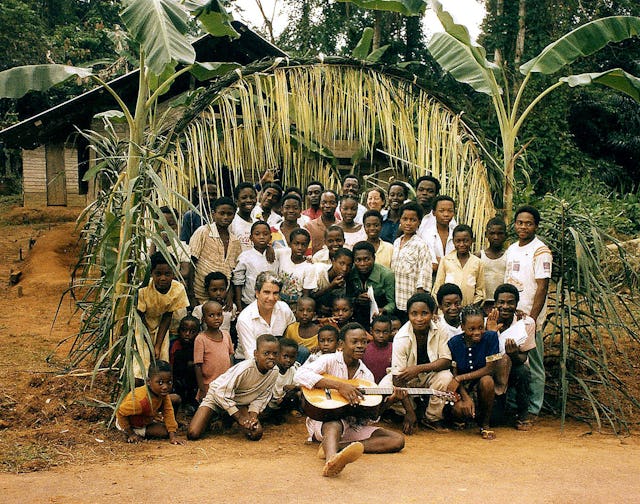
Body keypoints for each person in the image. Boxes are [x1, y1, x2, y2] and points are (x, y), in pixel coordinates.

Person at [294, 323, 405, 477]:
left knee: (397, 440)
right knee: (334, 423)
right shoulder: (329, 360)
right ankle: (331, 461)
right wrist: (339, 386)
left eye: (364, 342)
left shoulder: (366, 375)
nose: (360, 346)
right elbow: (299, 375)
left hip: (352, 425)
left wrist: (390, 401)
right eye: (355, 342)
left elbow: (370, 417)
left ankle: (337, 447)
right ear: (341, 344)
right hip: (324, 421)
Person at [380, 293, 453, 433]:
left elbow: (446, 360)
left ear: (433, 313)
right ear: (408, 314)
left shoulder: (441, 328)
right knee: (385, 388)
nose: (419, 319)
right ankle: (409, 411)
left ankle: (431, 418)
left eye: (424, 313)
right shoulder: (401, 337)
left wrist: (417, 369)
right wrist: (410, 412)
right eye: (414, 314)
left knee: (446, 377)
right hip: (405, 378)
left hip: (430, 374)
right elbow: (397, 378)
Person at [504, 205, 552, 418]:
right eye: (520, 223)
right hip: (512, 317)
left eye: (528, 223)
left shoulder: (541, 251)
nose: (523, 227)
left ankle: (533, 408)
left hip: (530, 318)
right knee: (514, 361)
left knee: (533, 363)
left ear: (536, 226)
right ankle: (514, 406)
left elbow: (542, 287)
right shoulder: (512, 248)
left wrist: (531, 319)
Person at [187, 334, 280, 441]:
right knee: (193, 433)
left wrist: (253, 417)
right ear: (256, 354)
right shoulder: (245, 369)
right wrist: (240, 418)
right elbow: (220, 393)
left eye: (275, 354)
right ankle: (219, 415)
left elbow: (262, 397)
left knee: (255, 433)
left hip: (239, 403)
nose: (271, 357)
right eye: (266, 353)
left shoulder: (274, 371)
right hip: (217, 397)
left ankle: (227, 417)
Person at [447, 305, 501, 440]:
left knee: (487, 381)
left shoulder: (491, 337)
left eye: (480, 328)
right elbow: (454, 374)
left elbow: (490, 368)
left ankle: (485, 423)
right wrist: (466, 397)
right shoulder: (454, 343)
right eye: (471, 329)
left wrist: (461, 378)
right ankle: (462, 419)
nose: (477, 332)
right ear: (462, 327)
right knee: (459, 410)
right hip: (463, 388)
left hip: (482, 385)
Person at [486, 283, 535, 431]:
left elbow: (523, 358)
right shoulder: (486, 322)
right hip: (491, 369)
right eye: (501, 302)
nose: (505, 306)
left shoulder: (526, 323)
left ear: (516, 304)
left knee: (524, 372)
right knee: (496, 420)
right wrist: (491, 333)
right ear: (495, 304)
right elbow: (484, 356)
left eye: (510, 302)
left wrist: (513, 354)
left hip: (514, 368)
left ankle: (523, 414)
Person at [134, 252, 190, 381]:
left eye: (167, 274)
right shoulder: (143, 289)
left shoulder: (178, 289)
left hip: (161, 326)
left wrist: (157, 345)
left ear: (174, 273)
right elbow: (141, 317)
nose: (163, 278)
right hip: (143, 327)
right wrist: (149, 343)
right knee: (141, 364)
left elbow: (167, 316)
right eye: (158, 274)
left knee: (161, 359)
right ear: (151, 273)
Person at [189, 196, 242, 305]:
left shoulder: (235, 241)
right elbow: (191, 263)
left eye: (230, 214)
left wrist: (230, 295)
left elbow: (234, 273)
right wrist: (191, 294)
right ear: (213, 214)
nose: (226, 217)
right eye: (222, 213)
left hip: (222, 297)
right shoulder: (203, 232)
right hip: (199, 295)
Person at [116, 361, 182, 444]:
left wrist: (173, 437)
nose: (165, 387)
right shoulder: (141, 401)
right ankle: (128, 433)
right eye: (160, 383)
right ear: (148, 381)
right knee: (164, 432)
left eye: (169, 382)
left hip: (145, 419)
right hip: (128, 423)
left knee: (168, 432)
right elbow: (120, 412)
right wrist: (131, 433)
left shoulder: (162, 394)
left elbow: (168, 411)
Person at [235, 272, 296, 361]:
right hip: (249, 362)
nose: (271, 298)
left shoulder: (284, 309)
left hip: (280, 357)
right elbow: (251, 357)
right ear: (257, 293)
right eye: (266, 292)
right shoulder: (245, 319)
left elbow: (292, 339)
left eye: (275, 293)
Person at [390, 202, 432, 322]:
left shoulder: (421, 245)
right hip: (396, 300)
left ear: (419, 222)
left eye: (413, 220)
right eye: (405, 219)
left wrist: (418, 302)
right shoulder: (397, 242)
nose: (408, 223)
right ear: (400, 220)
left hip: (410, 302)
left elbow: (424, 275)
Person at [346, 241, 395, 331]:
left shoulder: (386, 275)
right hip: (357, 315)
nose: (362, 264)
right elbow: (347, 297)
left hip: (380, 316)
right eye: (358, 260)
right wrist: (356, 300)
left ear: (374, 258)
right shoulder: (351, 272)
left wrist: (383, 310)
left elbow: (392, 303)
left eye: (366, 259)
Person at [433, 224, 486, 306]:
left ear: (471, 241)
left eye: (465, 240)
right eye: (458, 241)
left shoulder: (478, 263)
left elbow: (480, 291)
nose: (462, 244)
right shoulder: (446, 261)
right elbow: (437, 289)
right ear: (453, 241)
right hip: (448, 311)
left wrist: (470, 308)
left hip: (468, 311)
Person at [232, 221, 279, 309]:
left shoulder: (275, 255)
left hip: (271, 302)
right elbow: (238, 281)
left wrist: (269, 247)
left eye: (265, 234)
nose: (261, 237)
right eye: (257, 234)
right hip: (250, 302)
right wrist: (239, 303)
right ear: (251, 237)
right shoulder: (245, 257)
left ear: (270, 237)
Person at [194, 301, 234, 401]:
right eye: (211, 315)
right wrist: (202, 388)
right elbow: (198, 365)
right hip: (209, 384)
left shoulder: (226, 335)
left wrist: (231, 378)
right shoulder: (201, 339)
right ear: (204, 319)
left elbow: (230, 356)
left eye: (219, 314)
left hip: (225, 383)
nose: (216, 318)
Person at [276, 228, 317, 308]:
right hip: (278, 303)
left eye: (303, 244)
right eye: (296, 244)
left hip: (296, 306)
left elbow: (306, 295)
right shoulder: (283, 254)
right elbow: (269, 250)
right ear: (290, 244)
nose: (299, 247)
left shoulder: (309, 267)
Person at [265, 338, 301, 423]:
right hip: (270, 400)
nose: (288, 360)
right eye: (285, 356)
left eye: (292, 357)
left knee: (296, 393)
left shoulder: (293, 369)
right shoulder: (271, 370)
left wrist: (294, 387)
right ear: (277, 355)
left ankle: (287, 410)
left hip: (283, 399)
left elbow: (300, 384)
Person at [477, 217, 508, 314]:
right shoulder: (478, 256)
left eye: (500, 234)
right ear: (486, 235)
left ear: (505, 235)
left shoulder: (510, 256)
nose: (496, 237)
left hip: (503, 304)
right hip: (483, 304)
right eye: (492, 233)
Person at [170, 315, 200, 415]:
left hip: (193, 380)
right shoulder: (174, 345)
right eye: (184, 330)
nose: (187, 334)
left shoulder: (199, 345)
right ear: (179, 331)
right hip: (176, 378)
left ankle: (191, 402)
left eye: (192, 332)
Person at [313, 247, 353, 316]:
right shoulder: (317, 271)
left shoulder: (343, 281)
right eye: (341, 263)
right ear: (333, 261)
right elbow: (307, 297)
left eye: (349, 265)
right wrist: (331, 287)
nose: (345, 269)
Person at [421, 195, 456, 274]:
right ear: (434, 213)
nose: (446, 214)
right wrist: (452, 263)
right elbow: (433, 266)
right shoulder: (426, 235)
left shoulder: (456, 234)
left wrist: (441, 260)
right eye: (441, 211)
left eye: (450, 211)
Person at [284, 296, 320, 362]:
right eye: (301, 310)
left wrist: (319, 348)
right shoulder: (291, 328)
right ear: (295, 312)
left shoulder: (319, 332)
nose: (305, 313)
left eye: (309, 311)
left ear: (314, 314)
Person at [305, 190, 340, 255]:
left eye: (332, 202)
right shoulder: (309, 227)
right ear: (319, 204)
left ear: (337, 204)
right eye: (324, 202)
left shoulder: (341, 226)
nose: (327, 205)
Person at [362, 315, 393, 383]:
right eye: (377, 332)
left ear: (390, 332)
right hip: (367, 386)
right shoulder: (364, 349)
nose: (381, 335)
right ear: (371, 331)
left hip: (389, 388)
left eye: (385, 332)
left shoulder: (395, 349)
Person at [229, 182, 257, 252]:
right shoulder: (231, 222)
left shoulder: (257, 223)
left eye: (252, 197)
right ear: (236, 201)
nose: (249, 200)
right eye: (244, 198)